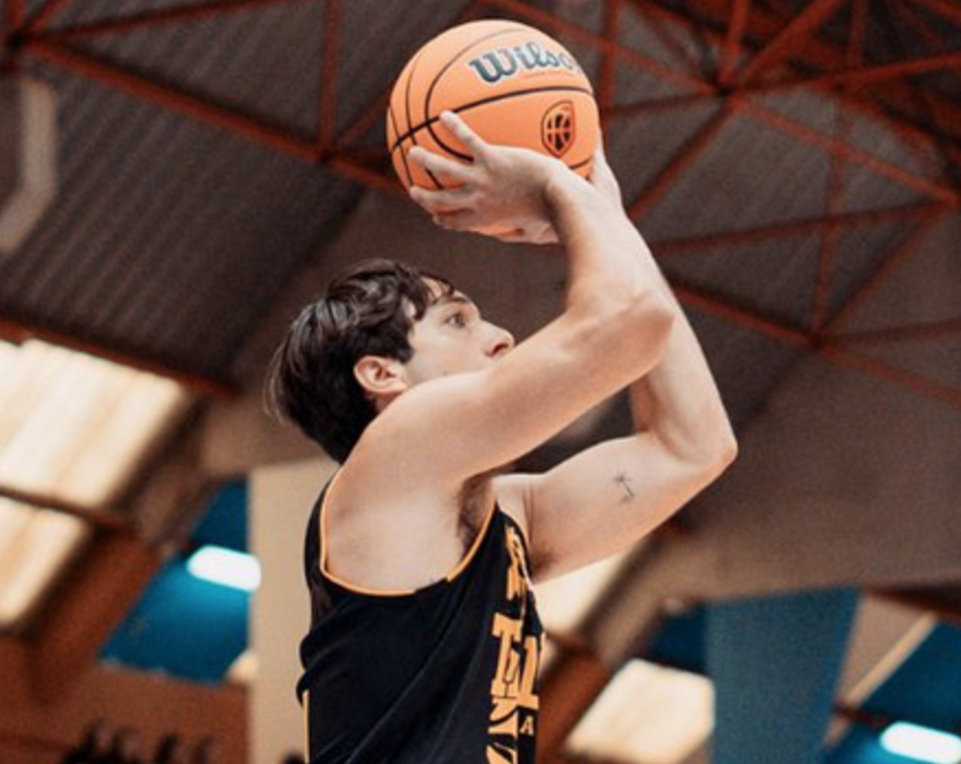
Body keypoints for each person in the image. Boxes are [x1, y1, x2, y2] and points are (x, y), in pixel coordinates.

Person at [268, 111, 737, 764]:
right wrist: (555, 186)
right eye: (456, 321)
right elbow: (630, 321)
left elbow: (693, 447)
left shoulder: (509, 515)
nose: (500, 337)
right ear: (382, 374)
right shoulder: (398, 448)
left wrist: (607, 219)